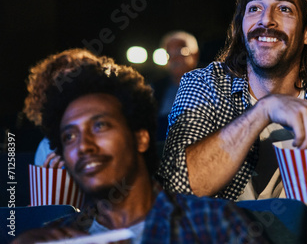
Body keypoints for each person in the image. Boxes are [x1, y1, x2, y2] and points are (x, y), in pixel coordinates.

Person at [15, 49, 267, 244]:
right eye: (69, 136)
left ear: (140, 137)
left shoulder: (211, 223)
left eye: (100, 126)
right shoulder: (55, 237)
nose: (83, 146)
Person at [158, 0, 307, 201]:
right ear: (241, 26)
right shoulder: (204, 84)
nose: (267, 20)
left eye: (284, 9)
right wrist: (264, 111)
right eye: (254, 8)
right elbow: (178, 186)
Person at [153, 31, 199, 141]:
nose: (173, 58)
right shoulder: (156, 89)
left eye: (180, 51)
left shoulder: (211, 84)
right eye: (169, 53)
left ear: (195, 54)